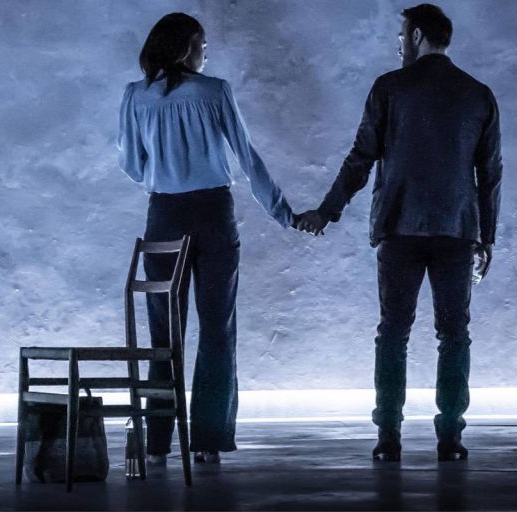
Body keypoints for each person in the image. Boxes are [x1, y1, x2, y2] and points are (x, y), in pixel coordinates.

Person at [295, 4, 502, 461]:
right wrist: (487, 238)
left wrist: (327, 212)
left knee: (393, 331)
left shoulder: (389, 87)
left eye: (401, 35)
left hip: (399, 226)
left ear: (418, 36)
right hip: (456, 229)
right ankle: (451, 437)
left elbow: (360, 159)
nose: (398, 44)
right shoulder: (478, 94)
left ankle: (388, 436)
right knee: (455, 333)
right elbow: (489, 174)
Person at [118, 13, 298, 464]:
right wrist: (283, 212)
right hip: (214, 213)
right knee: (217, 327)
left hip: (163, 214)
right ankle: (209, 441)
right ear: (185, 48)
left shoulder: (135, 96)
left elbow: (133, 165)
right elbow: (247, 158)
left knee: (163, 332)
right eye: (202, 44)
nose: (206, 53)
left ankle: (157, 443)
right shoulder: (215, 91)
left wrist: (165, 167)